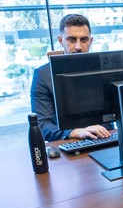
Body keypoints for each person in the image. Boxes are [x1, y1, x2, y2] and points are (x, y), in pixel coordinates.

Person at [30, 13, 112, 142]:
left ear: (91, 41)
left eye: (84, 39)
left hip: (106, 137)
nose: (78, 46)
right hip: (68, 141)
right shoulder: (43, 75)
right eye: (72, 40)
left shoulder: (106, 70)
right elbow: (42, 123)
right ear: (61, 40)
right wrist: (74, 132)